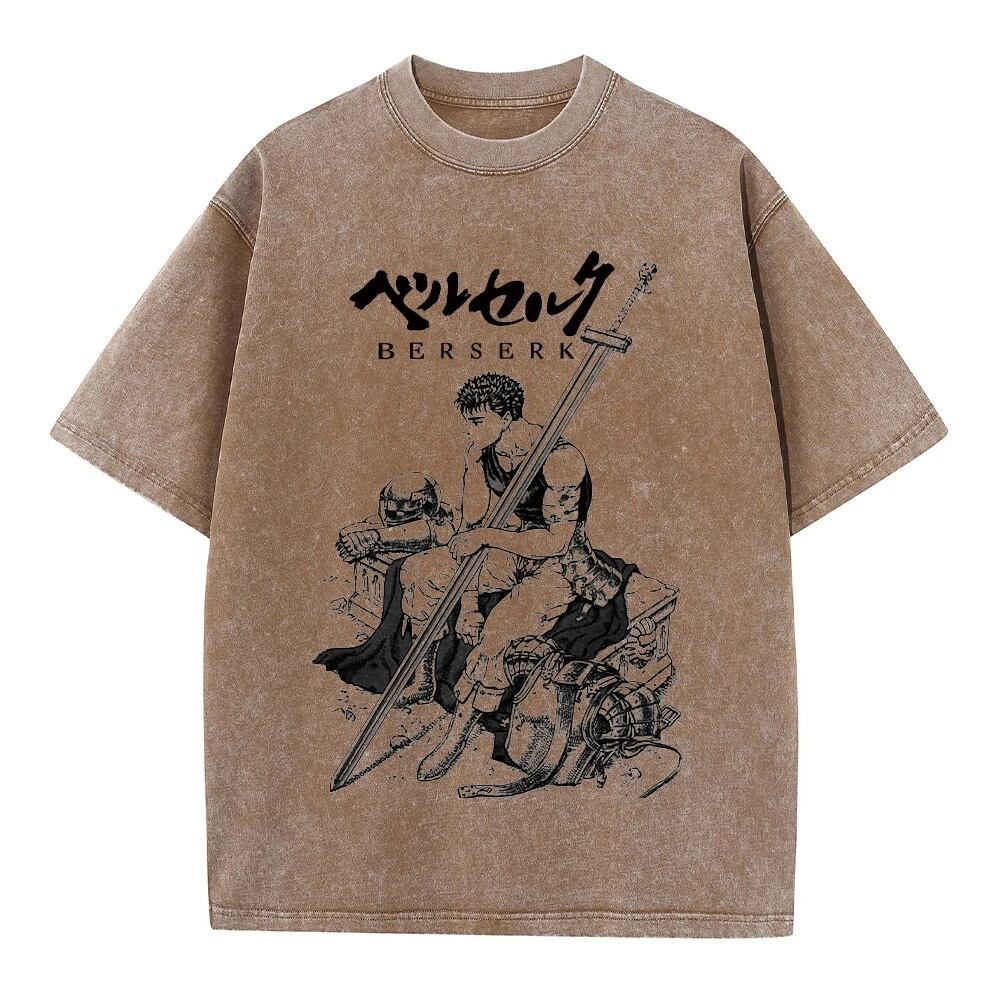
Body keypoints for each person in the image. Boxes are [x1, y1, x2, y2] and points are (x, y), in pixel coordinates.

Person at [396, 372, 622, 780]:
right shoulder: (480, 453)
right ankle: (422, 678)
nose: (469, 431)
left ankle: (457, 732)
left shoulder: (561, 461)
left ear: (505, 416)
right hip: (505, 545)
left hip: (556, 563)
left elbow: (554, 542)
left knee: (501, 629)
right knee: (420, 572)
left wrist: (486, 539)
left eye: (477, 422)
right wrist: (468, 605)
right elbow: (472, 526)